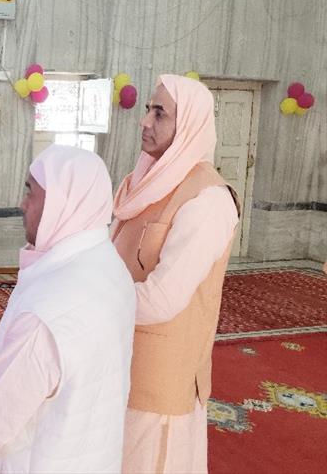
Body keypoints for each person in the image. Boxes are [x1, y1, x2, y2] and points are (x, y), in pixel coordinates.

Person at [0, 145, 136, 473]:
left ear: (63, 202)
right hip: (90, 454)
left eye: (31, 191)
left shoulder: (49, 310)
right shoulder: (107, 263)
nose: (23, 203)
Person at [111, 75, 240, 473]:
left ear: (188, 125)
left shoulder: (208, 199)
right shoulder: (144, 183)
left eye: (160, 113)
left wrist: (89, 298)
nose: (145, 121)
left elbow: (161, 300)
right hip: (117, 359)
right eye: (148, 109)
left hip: (158, 378)